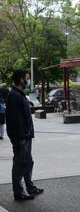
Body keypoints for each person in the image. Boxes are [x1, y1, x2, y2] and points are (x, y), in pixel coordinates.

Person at [6, 70, 44, 201]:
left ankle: (30, 187)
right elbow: (15, 120)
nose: (28, 81)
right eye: (27, 78)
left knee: (28, 162)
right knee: (20, 163)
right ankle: (18, 192)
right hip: (21, 138)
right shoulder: (15, 95)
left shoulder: (19, 95)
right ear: (21, 80)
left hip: (26, 136)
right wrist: (20, 138)